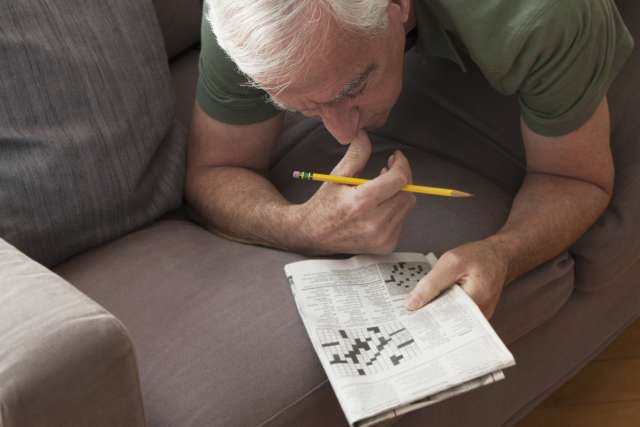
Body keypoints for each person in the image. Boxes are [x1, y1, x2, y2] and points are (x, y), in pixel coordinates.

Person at [186, 0, 634, 318]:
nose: (343, 133)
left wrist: (503, 252)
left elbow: (575, 178)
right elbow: (217, 169)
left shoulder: (543, 13)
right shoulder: (243, 17)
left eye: (352, 90)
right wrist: (302, 227)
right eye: (301, 109)